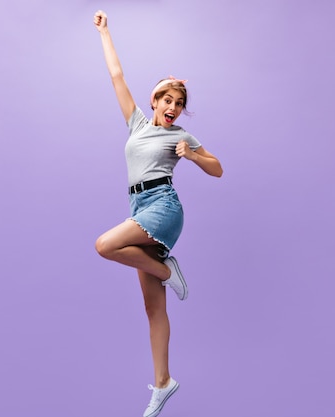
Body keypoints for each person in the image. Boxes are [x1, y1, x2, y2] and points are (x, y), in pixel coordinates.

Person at [93, 10, 223, 417]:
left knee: (105, 245)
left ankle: (170, 271)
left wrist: (194, 157)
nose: (173, 107)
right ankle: (164, 383)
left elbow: (218, 167)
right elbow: (117, 76)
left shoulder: (180, 136)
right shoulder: (136, 124)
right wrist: (105, 31)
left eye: (179, 104)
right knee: (154, 309)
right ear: (154, 100)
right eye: (168, 100)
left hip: (163, 207)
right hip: (138, 206)